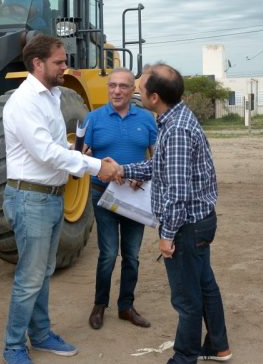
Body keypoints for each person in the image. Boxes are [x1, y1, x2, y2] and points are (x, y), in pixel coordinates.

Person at [0, 35, 118, 364]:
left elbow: (56, 145)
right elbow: (44, 153)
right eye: (59, 62)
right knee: (29, 277)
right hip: (30, 199)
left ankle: (39, 334)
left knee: (43, 272)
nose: (65, 67)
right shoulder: (24, 101)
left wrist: (76, 153)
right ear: (37, 64)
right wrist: (96, 167)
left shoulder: (51, 96)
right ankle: (13, 346)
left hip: (50, 197)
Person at [109, 63, 231, 363]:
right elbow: (159, 167)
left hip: (186, 227)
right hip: (198, 223)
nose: (134, 91)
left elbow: (177, 193)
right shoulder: (176, 117)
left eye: (139, 88)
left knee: (186, 298)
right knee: (204, 286)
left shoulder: (175, 129)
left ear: (154, 98)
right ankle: (218, 345)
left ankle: (184, 357)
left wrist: (166, 236)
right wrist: (124, 169)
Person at [83, 68, 157, 330]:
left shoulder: (147, 119)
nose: (117, 91)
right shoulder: (93, 119)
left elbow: (157, 157)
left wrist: (143, 176)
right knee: (108, 253)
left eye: (123, 86)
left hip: (135, 197)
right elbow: (83, 156)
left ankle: (126, 306)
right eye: (112, 85)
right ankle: (99, 305)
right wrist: (98, 165)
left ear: (133, 90)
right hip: (103, 194)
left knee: (132, 256)